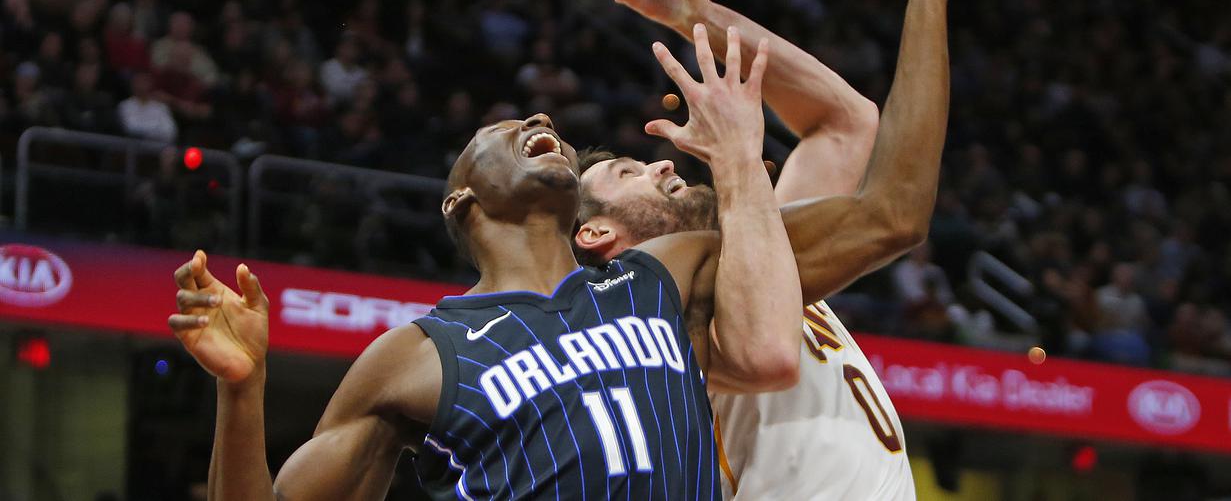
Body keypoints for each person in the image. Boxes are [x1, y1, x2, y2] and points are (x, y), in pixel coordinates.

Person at [170, 25, 875, 498]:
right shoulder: (416, 355)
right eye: (502, 131)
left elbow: (881, 196)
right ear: (459, 203)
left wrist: (737, 150)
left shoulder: (666, 273)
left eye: (542, 123)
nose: (539, 123)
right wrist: (242, 390)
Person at [578, 0, 1003, 499]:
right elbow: (896, 214)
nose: (662, 162)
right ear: (596, 232)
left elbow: (843, 123)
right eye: (627, 171)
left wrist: (699, 16)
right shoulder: (670, 302)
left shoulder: (755, 258)